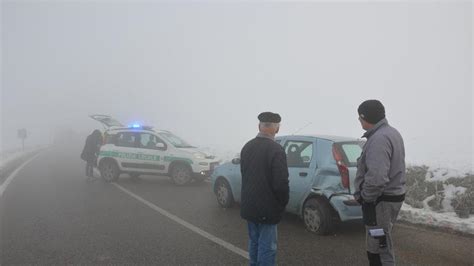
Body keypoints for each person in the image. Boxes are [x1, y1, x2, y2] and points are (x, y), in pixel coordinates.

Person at [354, 100, 406, 266]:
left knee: (379, 246)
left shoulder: (379, 139)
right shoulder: (391, 132)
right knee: (380, 239)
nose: (358, 120)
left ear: (364, 117)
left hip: (380, 202)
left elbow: (377, 178)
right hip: (387, 198)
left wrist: (366, 198)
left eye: (359, 117)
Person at [240, 112, 289, 266]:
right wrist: (282, 203)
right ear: (277, 129)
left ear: (259, 126)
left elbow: (244, 174)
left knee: (254, 242)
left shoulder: (247, 146)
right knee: (268, 247)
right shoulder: (276, 150)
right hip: (267, 209)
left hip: (249, 205)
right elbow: (281, 183)